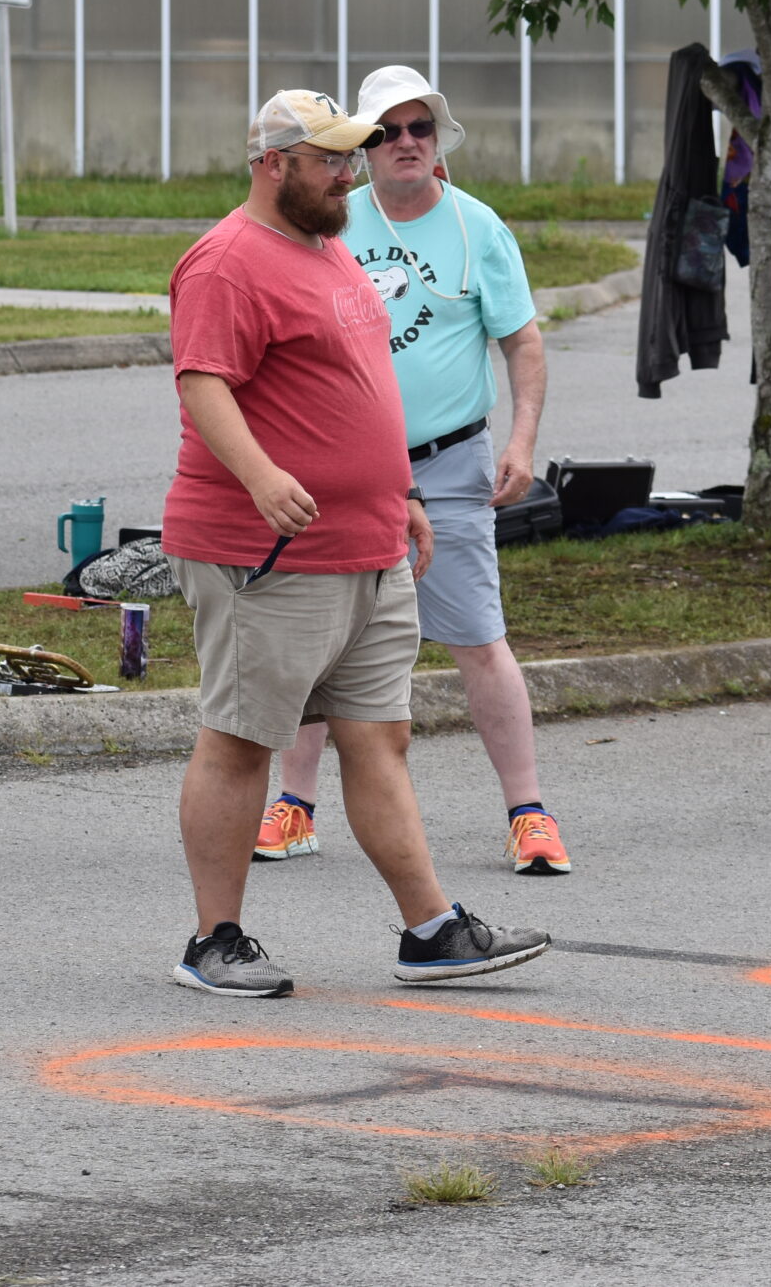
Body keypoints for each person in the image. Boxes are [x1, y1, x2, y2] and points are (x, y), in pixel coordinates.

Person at [161, 90, 553, 997]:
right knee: (241, 740)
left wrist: (402, 491)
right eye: (331, 158)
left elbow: (364, 383)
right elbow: (203, 382)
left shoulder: (330, 246)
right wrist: (261, 477)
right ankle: (213, 939)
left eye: (352, 155)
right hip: (265, 552)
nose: (350, 171)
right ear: (273, 164)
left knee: (380, 740)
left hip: (369, 544)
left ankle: (431, 929)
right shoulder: (225, 261)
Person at [252, 65, 570, 876]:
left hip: (451, 462)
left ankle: (529, 813)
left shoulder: (478, 228)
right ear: (361, 146)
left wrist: (522, 441)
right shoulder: (329, 220)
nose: (403, 143)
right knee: (319, 640)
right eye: (384, 131)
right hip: (337, 466)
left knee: (478, 637)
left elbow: (522, 342)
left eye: (417, 128)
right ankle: (294, 804)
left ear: (438, 140)